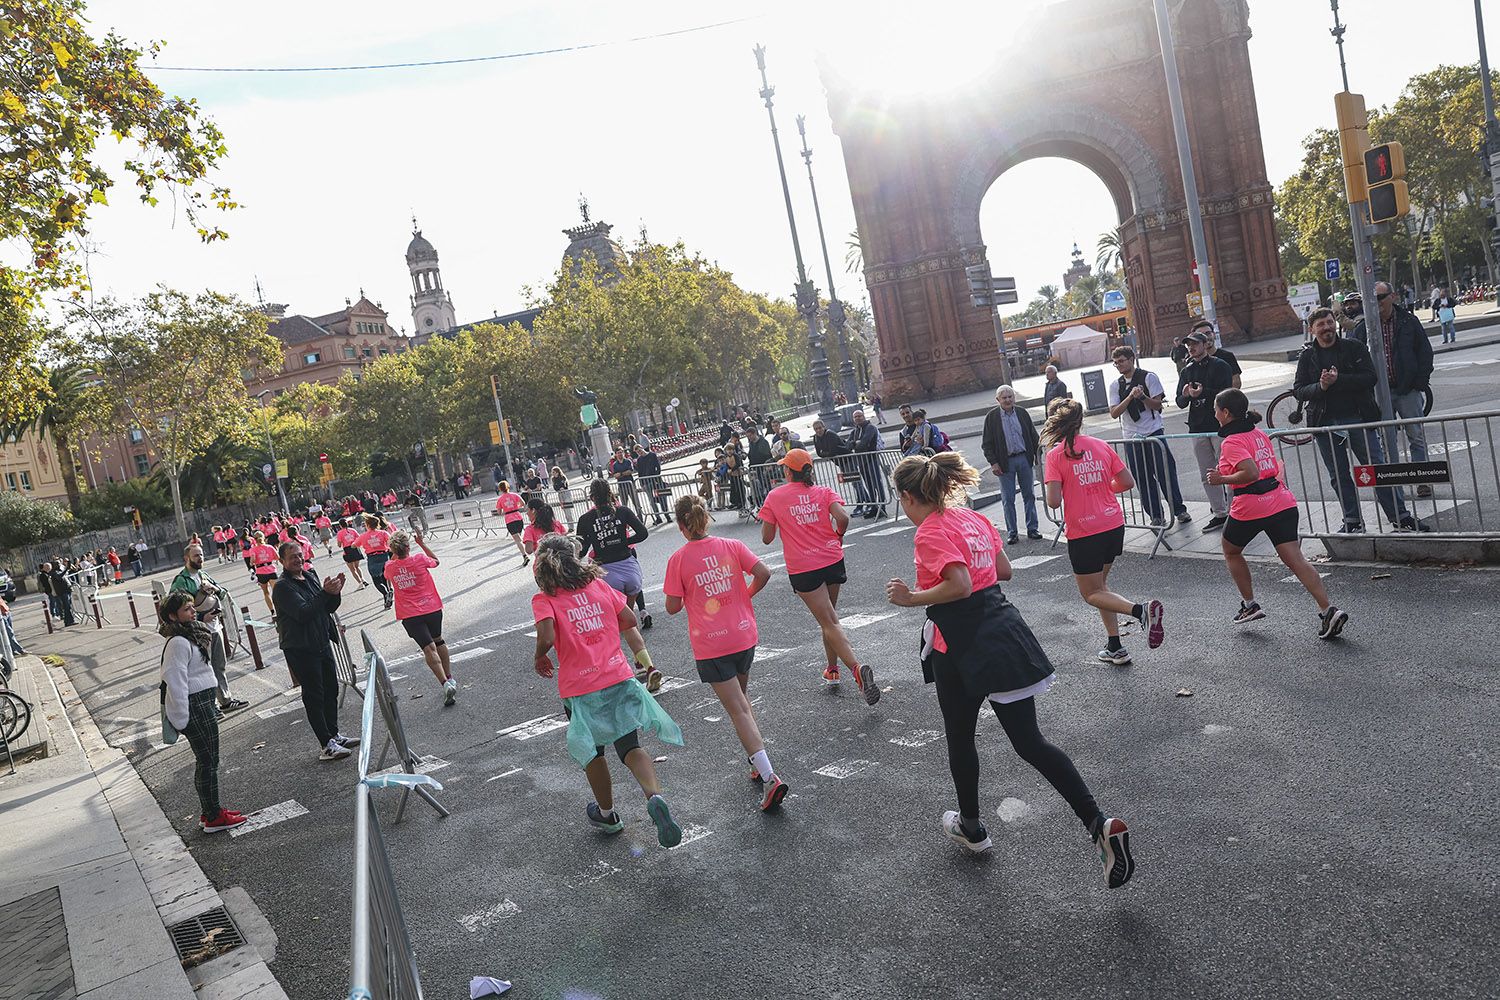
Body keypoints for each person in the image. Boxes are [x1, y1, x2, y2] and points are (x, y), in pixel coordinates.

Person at [882, 452, 1135, 885]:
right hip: (1004, 632)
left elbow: (958, 585)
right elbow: (1004, 570)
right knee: (1031, 743)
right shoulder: (972, 520)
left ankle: (973, 827)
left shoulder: (929, 531)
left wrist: (912, 598)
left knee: (960, 738)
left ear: (908, 497)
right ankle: (1097, 824)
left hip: (959, 645)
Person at [530, 534, 684, 847]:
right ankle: (653, 795)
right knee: (630, 746)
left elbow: (546, 634)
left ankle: (608, 814)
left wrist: (540, 654)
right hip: (618, 676)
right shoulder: (599, 586)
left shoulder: (545, 599)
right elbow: (628, 618)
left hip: (581, 688)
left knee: (593, 752)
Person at [663, 495, 784, 810]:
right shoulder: (731, 546)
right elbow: (764, 573)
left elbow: (672, 607)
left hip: (713, 644)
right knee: (742, 704)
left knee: (738, 710)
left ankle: (771, 776)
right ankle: (757, 764)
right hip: (744, 635)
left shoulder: (679, 559)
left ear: (681, 525)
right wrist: (744, 595)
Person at [1205, 389, 1350, 638]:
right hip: (1281, 501)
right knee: (1296, 559)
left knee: (1230, 550)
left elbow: (1250, 472)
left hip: (1252, 503)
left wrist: (1222, 478)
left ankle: (1250, 605)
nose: (1214, 413)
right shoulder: (1258, 433)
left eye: (1216, 409)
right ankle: (1328, 610)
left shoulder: (1231, 442)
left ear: (1226, 413)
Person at [1041, 399, 1165, 666]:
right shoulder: (1101, 445)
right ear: (1080, 420)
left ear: (1055, 422)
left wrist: (1067, 485)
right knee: (1101, 587)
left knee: (1090, 593)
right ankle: (1115, 646)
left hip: (1085, 531)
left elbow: (1052, 502)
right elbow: (1126, 482)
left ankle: (1141, 611)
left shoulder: (1054, 455)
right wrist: (1101, 487)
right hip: (1112, 524)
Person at [759, 448, 879, 705]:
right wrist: (837, 535)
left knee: (829, 622)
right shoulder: (823, 492)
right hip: (832, 559)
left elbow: (766, 538)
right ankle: (831, 669)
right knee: (829, 617)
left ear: (788, 471)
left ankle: (857, 669)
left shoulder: (775, 496)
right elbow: (843, 517)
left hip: (804, 567)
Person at [1291, 307, 1420, 533]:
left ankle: (1400, 517)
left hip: (1358, 418)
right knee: (1339, 476)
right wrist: (1321, 386)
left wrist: (1338, 380)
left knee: (1376, 470)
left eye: (1329, 322)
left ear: (1335, 324)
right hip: (1325, 424)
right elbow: (1299, 390)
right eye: (1321, 325)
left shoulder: (1353, 347)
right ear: (1312, 330)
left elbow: (1370, 377)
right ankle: (1352, 520)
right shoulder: (1308, 356)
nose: (1327, 328)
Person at [158, 592, 248, 833]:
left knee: (208, 760)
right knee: (208, 761)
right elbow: (174, 679)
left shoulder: (192, 634)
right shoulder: (178, 641)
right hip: (194, 705)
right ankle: (213, 816)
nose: (192, 612)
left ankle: (211, 811)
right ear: (172, 616)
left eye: (191, 607)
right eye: (186, 609)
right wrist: (181, 717)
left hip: (203, 702)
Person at [271, 541, 357, 761]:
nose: (298, 559)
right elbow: (303, 612)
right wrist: (325, 593)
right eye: (292, 557)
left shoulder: (309, 576)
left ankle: (334, 734)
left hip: (322, 642)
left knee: (331, 689)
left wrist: (335, 593)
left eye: (300, 555)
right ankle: (325, 744)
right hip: (301, 648)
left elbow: (327, 607)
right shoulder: (282, 586)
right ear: (282, 561)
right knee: (314, 695)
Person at [1353, 280, 1434, 494]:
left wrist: (1419, 383)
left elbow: (1425, 352)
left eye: (1380, 297)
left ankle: (1422, 480)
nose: (1375, 303)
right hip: (1380, 393)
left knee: (1415, 435)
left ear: (1393, 296)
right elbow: (1353, 359)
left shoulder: (1408, 321)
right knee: (1386, 441)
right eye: (1371, 299)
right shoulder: (1364, 328)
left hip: (1406, 389)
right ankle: (1393, 487)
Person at [574, 479, 662, 669]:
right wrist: (623, 541)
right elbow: (643, 533)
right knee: (627, 619)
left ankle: (615, 664)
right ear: (611, 494)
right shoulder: (623, 512)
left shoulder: (586, 519)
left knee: (613, 624)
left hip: (606, 574)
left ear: (591, 497)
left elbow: (581, 551)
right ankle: (643, 662)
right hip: (630, 571)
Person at [1107, 346, 1190, 528]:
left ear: (1131, 359)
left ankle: (1178, 509)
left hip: (1153, 432)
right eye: (1116, 363)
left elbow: (1157, 405)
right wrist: (1129, 398)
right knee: (1142, 477)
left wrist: (1143, 397)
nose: (1119, 365)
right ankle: (1155, 514)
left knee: (1165, 472)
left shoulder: (1148, 377)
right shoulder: (1116, 385)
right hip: (1131, 436)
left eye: (1121, 361)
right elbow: (1114, 412)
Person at [169, 544, 250, 715]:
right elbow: (176, 608)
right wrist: (200, 618)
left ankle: (226, 701)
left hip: (215, 628)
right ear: (187, 558)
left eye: (202, 554)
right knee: (204, 670)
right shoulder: (181, 580)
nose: (200, 558)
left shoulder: (204, 574)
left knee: (219, 665)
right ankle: (210, 707)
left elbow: (223, 593)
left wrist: (215, 589)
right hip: (197, 632)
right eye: (196, 555)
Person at [385, 530, 457, 705]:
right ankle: (450, 677)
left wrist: (396, 554)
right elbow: (436, 561)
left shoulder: (389, 567)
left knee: (428, 648)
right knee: (439, 641)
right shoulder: (420, 559)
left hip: (410, 614)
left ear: (393, 550)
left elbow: (389, 573)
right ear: (408, 546)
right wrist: (422, 543)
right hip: (431, 607)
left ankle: (444, 683)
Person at [1175, 330, 1236, 532]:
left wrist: (1204, 392)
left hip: (1219, 426)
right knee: (1206, 472)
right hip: (1197, 427)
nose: (1191, 348)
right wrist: (1186, 396)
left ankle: (1235, 510)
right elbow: (1180, 401)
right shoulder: (1187, 370)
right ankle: (1219, 512)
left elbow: (1228, 393)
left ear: (1205, 344)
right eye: (1188, 345)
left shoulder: (1220, 365)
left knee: (1227, 470)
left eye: (1195, 344)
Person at [980, 385, 1041, 545]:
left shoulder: (1022, 413)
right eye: (1004, 397)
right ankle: (1012, 532)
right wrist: (993, 463)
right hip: (1005, 462)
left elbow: (1033, 435)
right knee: (1008, 499)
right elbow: (987, 443)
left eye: (1010, 397)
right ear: (998, 400)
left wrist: (1037, 455)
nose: (1008, 400)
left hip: (1023, 458)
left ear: (1014, 397)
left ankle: (1032, 528)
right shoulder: (992, 417)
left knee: (1029, 495)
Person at [845, 408, 887, 519]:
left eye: (859, 416)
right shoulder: (854, 431)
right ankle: (873, 507)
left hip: (871, 459)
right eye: (855, 417)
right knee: (869, 485)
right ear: (853, 419)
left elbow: (864, 443)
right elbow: (847, 446)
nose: (858, 418)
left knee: (877, 484)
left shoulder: (871, 428)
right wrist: (855, 443)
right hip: (861, 461)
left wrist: (856, 444)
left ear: (864, 416)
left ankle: (882, 507)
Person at [356, 514, 395, 611]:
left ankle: (386, 594)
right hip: (384, 556)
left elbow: (354, 545)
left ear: (368, 525)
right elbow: (391, 542)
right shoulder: (383, 533)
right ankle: (387, 598)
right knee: (384, 578)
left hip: (372, 558)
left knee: (377, 581)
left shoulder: (364, 536)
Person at [1191, 319, 1242, 389]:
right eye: (1201, 335)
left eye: (1208, 333)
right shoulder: (1192, 362)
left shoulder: (1227, 356)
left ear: (1214, 334)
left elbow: (1236, 382)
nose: (1206, 337)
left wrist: (1225, 397)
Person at [633, 443, 670, 526]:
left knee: (662, 497)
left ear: (642, 448)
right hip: (647, 481)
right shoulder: (639, 460)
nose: (640, 453)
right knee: (652, 500)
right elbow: (640, 472)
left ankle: (666, 514)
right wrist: (642, 484)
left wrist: (656, 475)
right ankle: (658, 517)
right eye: (638, 452)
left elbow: (658, 466)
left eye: (640, 450)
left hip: (657, 480)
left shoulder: (652, 455)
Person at [495, 481, 529, 564]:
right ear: (508, 487)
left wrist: (505, 511)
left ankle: (525, 555)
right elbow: (523, 503)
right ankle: (527, 550)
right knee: (519, 537)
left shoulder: (500, 499)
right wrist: (516, 507)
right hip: (518, 517)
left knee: (518, 540)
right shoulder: (514, 495)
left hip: (509, 519)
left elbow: (499, 512)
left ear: (500, 489)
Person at [334, 518, 369, 589]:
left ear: (340, 525)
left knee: (352, 569)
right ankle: (363, 579)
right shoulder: (353, 530)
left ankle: (360, 583)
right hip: (355, 548)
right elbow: (359, 538)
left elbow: (339, 545)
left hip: (347, 550)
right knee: (357, 566)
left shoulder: (340, 533)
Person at [609, 447, 643, 517]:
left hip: (630, 485)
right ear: (616, 454)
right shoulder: (615, 464)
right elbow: (615, 475)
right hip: (621, 487)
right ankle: (626, 519)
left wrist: (620, 474)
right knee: (624, 505)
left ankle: (640, 517)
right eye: (618, 453)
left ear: (623, 453)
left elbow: (630, 471)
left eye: (621, 452)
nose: (620, 454)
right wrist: (623, 473)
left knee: (636, 502)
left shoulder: (628, 461)